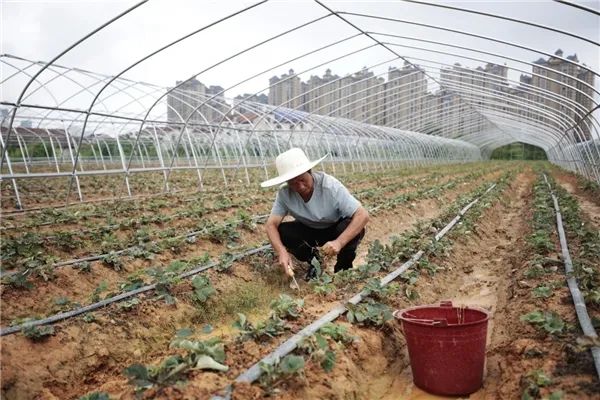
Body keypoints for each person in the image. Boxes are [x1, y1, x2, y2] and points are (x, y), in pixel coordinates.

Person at [261, 148, 369, 280]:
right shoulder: (285, 193)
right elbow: (270, 225)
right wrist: (281, 252)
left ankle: (343, 268)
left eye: (302, 180)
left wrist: (339, 243)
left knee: (349, 227)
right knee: (283, 231)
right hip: (310, 230)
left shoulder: (329, 186)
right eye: (293, 183)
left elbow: (362, 215)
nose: (299, 186)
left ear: (309, 172)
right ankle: (315, 263)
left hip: (335, 228)